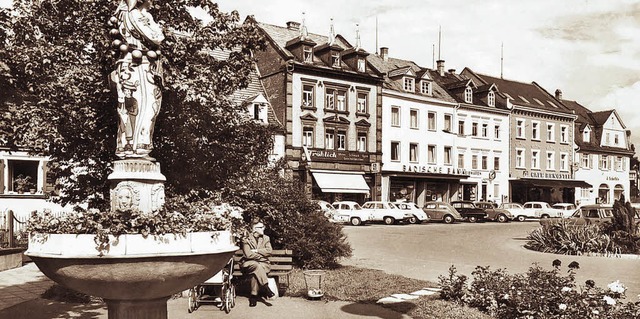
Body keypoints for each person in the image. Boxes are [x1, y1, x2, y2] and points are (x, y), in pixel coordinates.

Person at [111, 0, 164, 159]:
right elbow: (157, 37)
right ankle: (139, 147)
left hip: (130, 64)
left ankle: (128, 146)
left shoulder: (122, 13)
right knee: (146, 106)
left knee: (129, 108)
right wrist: (153, 22)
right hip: (139, 65)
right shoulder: (135, 14)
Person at [241, 220, 276, 307]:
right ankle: (266, 287)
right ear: (254, 229)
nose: (263, 229)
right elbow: (248, 255)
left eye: (263, 227)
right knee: (256, 265)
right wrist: (261, 256)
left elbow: (269, 251)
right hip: (248, 264)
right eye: (261, 227)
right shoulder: (246, 239)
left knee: (256, 271)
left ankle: (253, 296)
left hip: (263, 265)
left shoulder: (266, 238)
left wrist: (256, 251)